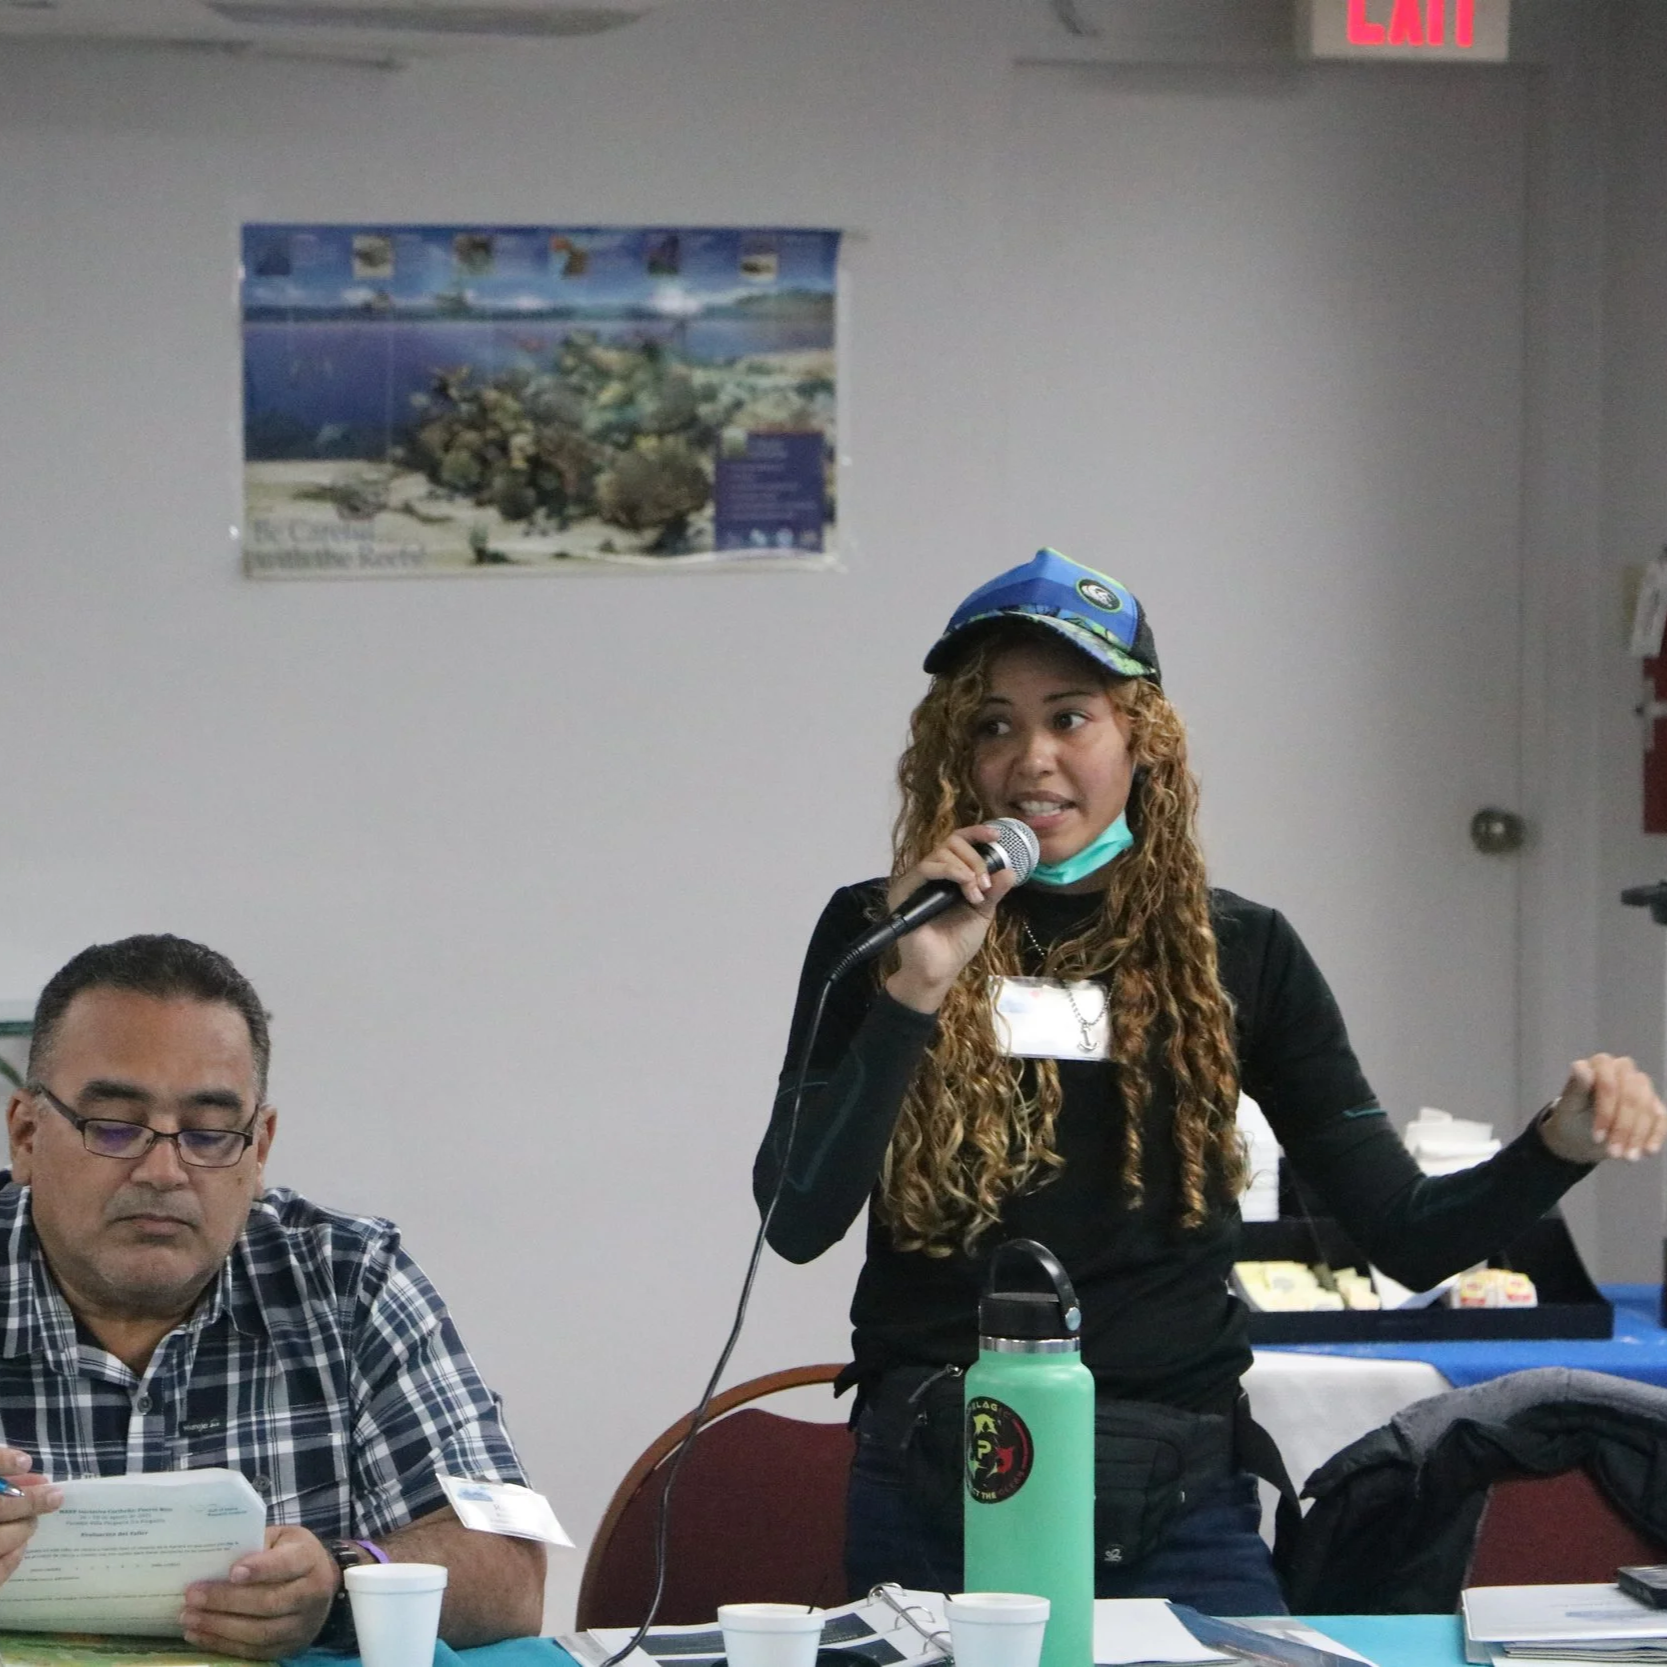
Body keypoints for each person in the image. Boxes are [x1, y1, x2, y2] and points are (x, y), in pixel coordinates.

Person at [753, 548, 1667, 1615]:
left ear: (1139, 734)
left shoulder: (1241, 950)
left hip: (1177, 1496)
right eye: (993, 722)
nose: (1030, 758)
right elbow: (797, 1217)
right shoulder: (879, 927)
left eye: (1069, 716)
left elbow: (1404, 1233)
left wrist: (1551, 1147)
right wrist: (913, 989)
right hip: (936, 1478)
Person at [0, 934, 545, 1658]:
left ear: (258, 1150)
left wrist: (340, 1583)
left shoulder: (349, 1280)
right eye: (115, 1126)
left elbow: (511, 1568)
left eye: (209, 1131)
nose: (163, 1169)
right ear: (27, 1134)